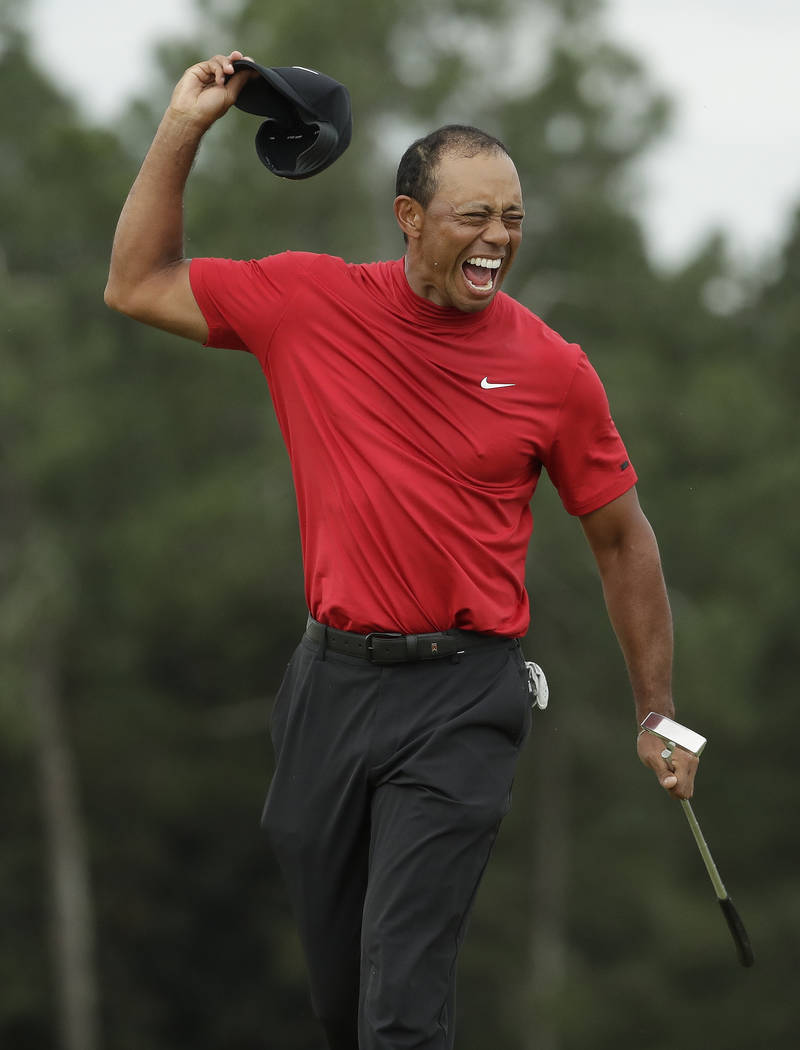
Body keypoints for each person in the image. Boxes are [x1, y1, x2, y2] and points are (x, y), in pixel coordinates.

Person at [105, 50, 699, 1050]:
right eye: (473, 216)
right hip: (327, 687)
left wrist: (657, 712)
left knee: (399, 1011)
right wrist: (183, 129)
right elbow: (136, 282)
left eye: (510, 218)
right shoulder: (308, 305)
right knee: (343, 1006)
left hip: (462, 698)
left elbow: (619, 539)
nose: (497, 239)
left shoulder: (553, 370)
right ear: (409, 218)